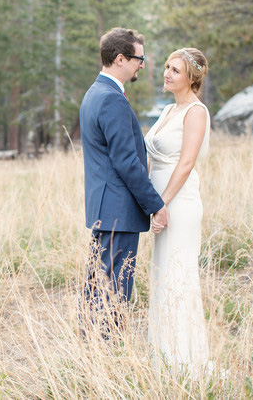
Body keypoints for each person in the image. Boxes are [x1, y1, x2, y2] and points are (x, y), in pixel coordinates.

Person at [79, 27, 169, 338]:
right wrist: (156, 205)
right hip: (119, 212)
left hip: (105, 208)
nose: (142, 65)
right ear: (120, 58)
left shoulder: (95, 93)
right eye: (138, 59)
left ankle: (93, 352)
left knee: (99, 287)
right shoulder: (111, 100)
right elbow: (127, 162)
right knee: (114, 290)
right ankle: (107, 355)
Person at [144, 47, 211, 373]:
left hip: (179, 205)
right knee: (161, 277)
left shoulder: (195, 112)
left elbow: (185, 163)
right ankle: (162, 357)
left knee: (178, 277)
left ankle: (186, 361)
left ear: (191, 78)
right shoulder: (169, 109)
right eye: (168, 67)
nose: (167, 73)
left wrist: (162, 204)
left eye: (175, 70)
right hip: (160, 206)